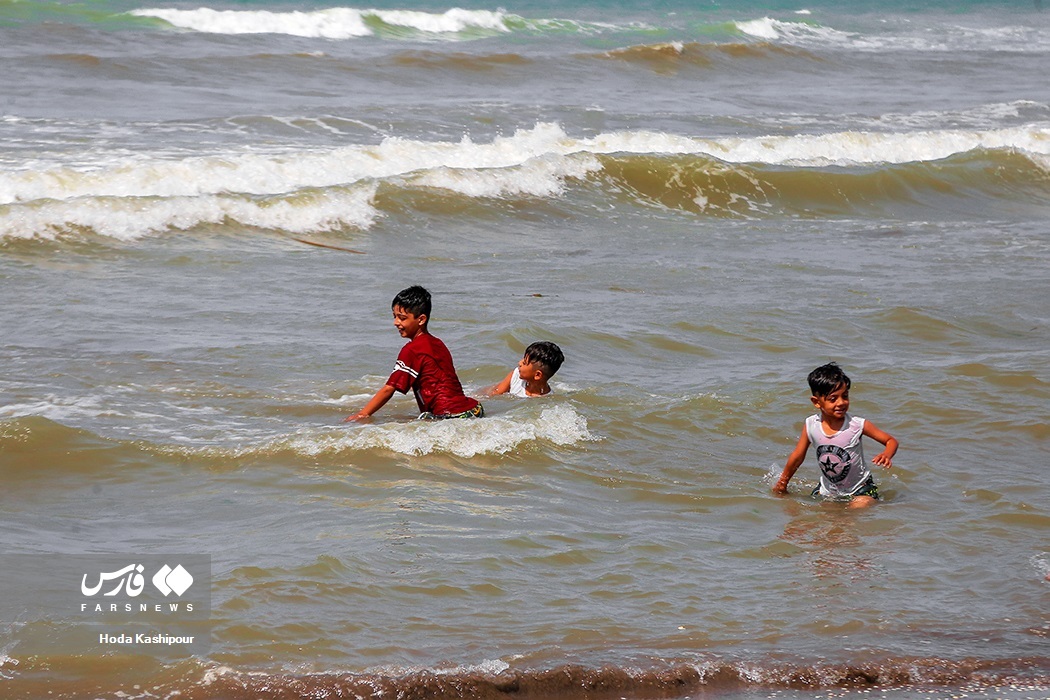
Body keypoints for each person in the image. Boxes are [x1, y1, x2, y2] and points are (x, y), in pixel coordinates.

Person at [344, 286, 483, 422]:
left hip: (451, 417)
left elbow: (389, 389)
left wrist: (362, 414)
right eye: (394, 317)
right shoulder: (437, 343)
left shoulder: (412, 350)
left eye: (402, 318)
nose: (395, 322)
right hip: (474, 410)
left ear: (421, 319)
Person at [772, 362, 898, 509]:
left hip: (861, 489)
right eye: (833, 399)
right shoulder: (811, 425)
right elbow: (797, 457)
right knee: (815, 513)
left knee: (858, 507)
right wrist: (783, 482)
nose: (841, 403)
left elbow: (890, 440)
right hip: (828, 491)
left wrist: (887, 454)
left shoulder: (857, 425)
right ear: (816, 402)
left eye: (845, 396)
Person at [486, 341, 564, 398]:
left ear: (537, 375)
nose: (519, 363)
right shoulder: (516, 375)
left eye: (524, 363)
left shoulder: (546, 400)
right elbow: (495, 394)